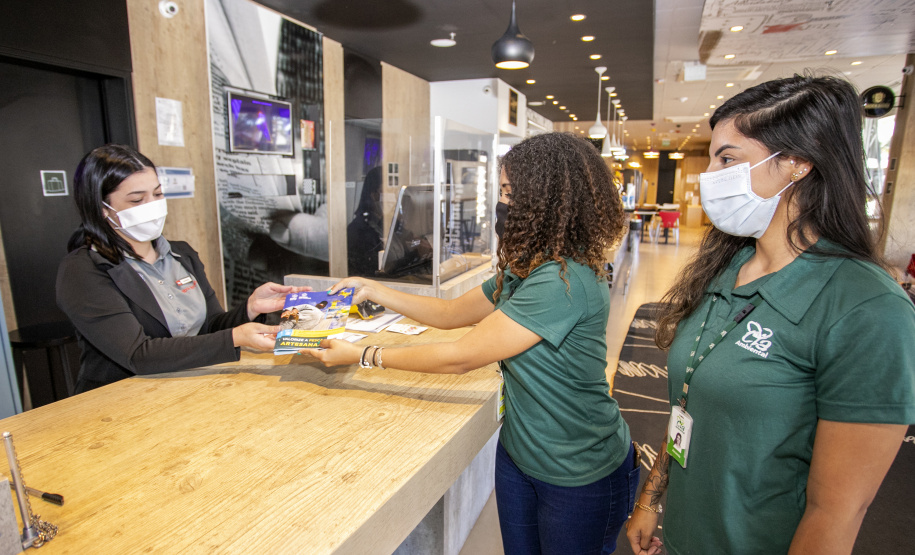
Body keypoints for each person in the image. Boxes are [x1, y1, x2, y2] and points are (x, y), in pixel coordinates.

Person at [305, 132, 637, 554]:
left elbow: (460, 357)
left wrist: (364, 355)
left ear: (547, 202)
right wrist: (373, 289)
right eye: (501, 192)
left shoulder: (562, 281)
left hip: (580, 472)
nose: (502, 205)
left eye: (512, 194)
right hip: (520, 457)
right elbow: (448, 314)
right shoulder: (526, 269)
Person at [626, 75, 915, 555]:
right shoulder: (728, 267)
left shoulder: (866, 308)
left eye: (729, 159)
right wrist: (653, 499)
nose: (712, 175)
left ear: (798, 163)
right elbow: (688, 399)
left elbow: (837, 512)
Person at [57, 144, 309, 393]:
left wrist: (250, 309)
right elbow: (139, 355)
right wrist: (235, 338)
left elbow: (209, 328)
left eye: (157, 194)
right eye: (137, 199)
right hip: (119, 404)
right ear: (102, 209)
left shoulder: (181, 254)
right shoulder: (82, 270)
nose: (153, 205)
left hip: (189, 390)